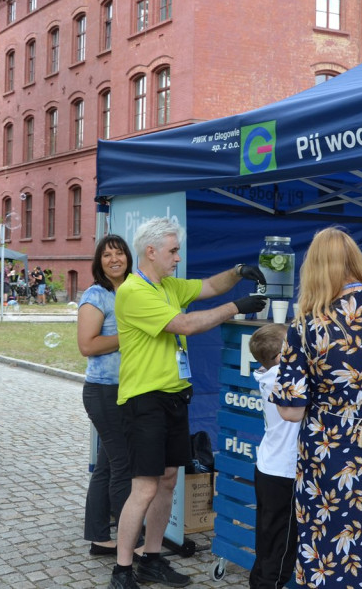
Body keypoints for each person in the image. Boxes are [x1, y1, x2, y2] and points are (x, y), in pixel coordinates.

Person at [109, 217, 267, 589]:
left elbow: (210, 285)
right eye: (173, 251)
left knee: (167, 483)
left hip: (174, 397)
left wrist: (239, 271)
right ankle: (121, 569)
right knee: (144, 488)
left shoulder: (166, 285)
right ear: (151, 252)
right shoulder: (134, 290)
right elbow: (186, 325)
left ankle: (151, 560)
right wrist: (238, 306)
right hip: (144, 400)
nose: (178, 257)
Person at [272, 227, 362, 589]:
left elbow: (289, 411)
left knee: (330, 540)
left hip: (332, 448)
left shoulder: (305, 326)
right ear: (357, 261)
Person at [79, 236, 135, 555]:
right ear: (99, 262)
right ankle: (131, 541)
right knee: (122, 466)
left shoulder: (133, 291)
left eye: (119, 253)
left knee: (107, 466)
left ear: (129, 257)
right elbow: (87, 345)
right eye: (106, 255)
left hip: (128, 389)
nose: (114, 259)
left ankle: (99, 536)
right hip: (103, 391)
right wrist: (128, 336)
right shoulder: (96, 295)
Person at [248, 323, 297, 589]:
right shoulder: (285, 378)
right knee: (281, 547)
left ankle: (259, 583)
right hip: (284, 473)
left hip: (269, 468)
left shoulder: (269, 374)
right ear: (282, 357)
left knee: (268, 540)